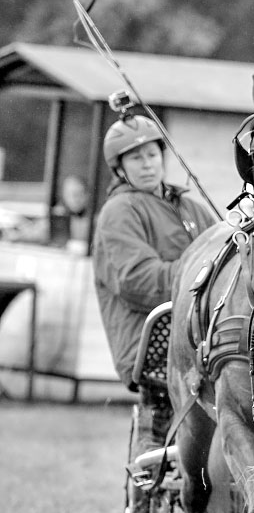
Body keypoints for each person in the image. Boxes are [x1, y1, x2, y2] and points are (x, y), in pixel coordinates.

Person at [92, 113, 215, 457]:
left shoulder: (191, 207)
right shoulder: (119, 212)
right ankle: (148, 491)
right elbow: (137, 280)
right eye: (135, 157)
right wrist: (204, 276)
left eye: (151, 154)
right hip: (155, 350)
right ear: (119, 168)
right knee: (157, 462)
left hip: (200, 340)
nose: (146, 164)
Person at [49, 175, 91, 248]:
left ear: (87, 195)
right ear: (64, 195)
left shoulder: (95, 221)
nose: (75, 199)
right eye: (70, 194)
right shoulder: (56, 219)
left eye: (79, 194)